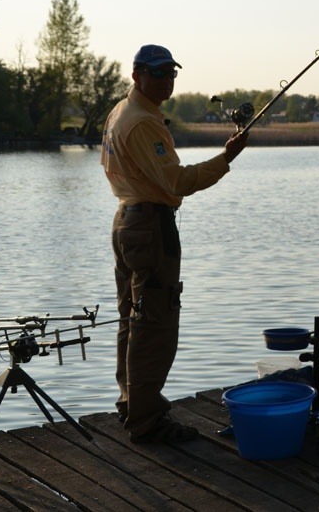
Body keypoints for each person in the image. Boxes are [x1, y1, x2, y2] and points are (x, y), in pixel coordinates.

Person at [100, 44, 248, 444]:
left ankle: (131, 404)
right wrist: (226, 158)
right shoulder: (143, 122)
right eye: (158, 72)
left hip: (126, 221)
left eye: (171, 73)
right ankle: (146, 420)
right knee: (154, 323)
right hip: (148, 226)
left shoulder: (121, 111)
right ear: (137, 75)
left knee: (132, 320)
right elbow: (177, 183)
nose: (167, 80)